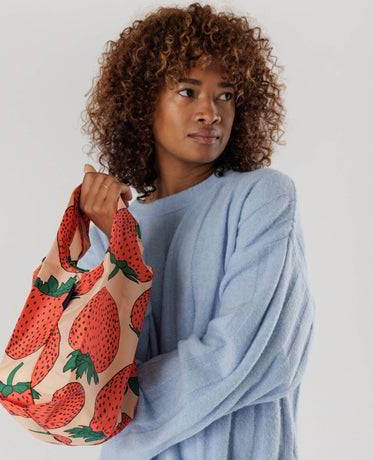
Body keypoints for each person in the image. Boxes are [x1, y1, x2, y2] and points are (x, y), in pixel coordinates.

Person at [77, 3, 316, 459]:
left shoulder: (262, 197)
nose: (211, 112)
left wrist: (123, 413)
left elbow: (254, 357)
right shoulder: (113, 225)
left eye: (225, 94)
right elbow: (99, 373)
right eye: (188, 91)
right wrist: (120, 250)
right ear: (142, 102)